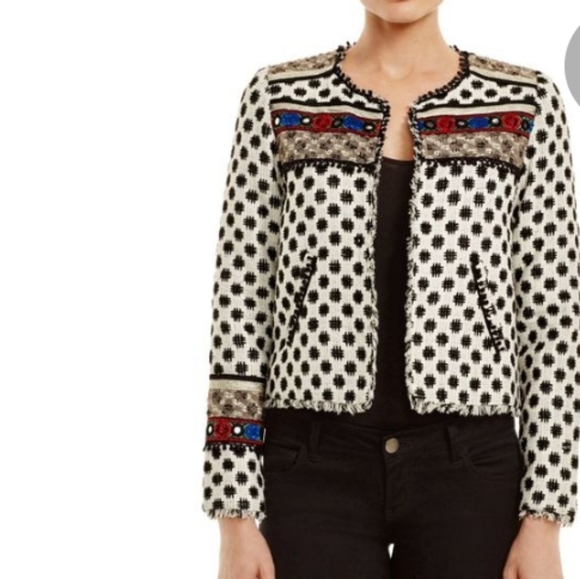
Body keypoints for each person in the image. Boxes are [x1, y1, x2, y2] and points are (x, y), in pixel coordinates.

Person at [201, 1, 580, 578]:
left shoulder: (525, 105)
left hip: (471, 469)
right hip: (310, 468)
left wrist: (546, 518)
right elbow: (239, 304)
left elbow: (555, 321)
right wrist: (234, 514)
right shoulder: (279, 98)